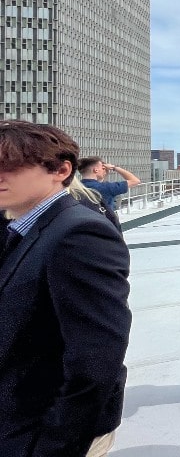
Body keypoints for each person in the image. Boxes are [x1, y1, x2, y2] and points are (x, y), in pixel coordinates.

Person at [0, 120, 131, 457]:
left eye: (10, 165)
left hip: (39, 430)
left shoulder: (79, 233)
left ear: (61, 170)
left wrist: (54, 445)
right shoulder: (19, 226)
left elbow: (96, 359)